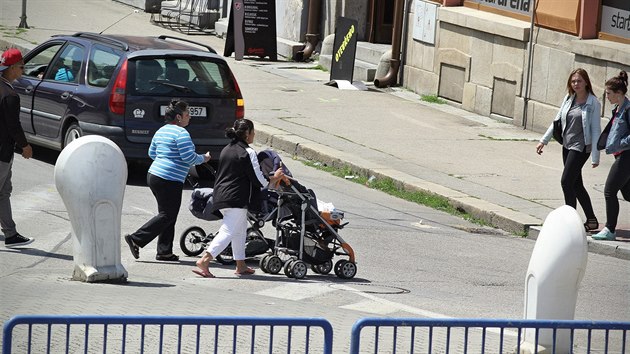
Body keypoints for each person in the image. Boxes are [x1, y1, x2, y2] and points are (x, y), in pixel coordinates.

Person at [192, 119, 284, 278]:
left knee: (239, 231)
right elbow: (259, 180)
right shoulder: (248, 152)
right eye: (253, 132)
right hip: (236, 197)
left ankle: (240, 265)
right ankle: (205, 260)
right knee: (228, 231)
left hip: (221, 195)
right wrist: (274, 178)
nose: (254, 135)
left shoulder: (227, 149)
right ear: (247, 133)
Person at [124, 99, 210, 261]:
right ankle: (136, 238)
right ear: (178, 117)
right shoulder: (181, 133)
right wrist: (203, 158)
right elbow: (188, 157)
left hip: (155, 175)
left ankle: (164, 251)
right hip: (169, 179)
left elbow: (152, 153)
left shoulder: (162, 130)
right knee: (167, 215)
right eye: (187, 114)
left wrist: (166, 159)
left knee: (167, 214)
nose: (189, 117)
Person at [536, 68, 601, 232]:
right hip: (567, 145)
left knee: (566, 181)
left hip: (581, 148)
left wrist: (595, 156)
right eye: (573, 81)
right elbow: (556, 121)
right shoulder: (569, 99)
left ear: (586, 82)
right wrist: (544, 140)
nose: (576, 84)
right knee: (576, 184)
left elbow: (595, 130)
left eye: (579, 81)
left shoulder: (593, 103)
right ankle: (592, 220)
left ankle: (570, 223)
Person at [0, 48, 34, 248]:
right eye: (22, 67)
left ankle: (11, 235)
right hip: (2, 151)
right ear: (11, 68)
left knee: (4, 192)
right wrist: (25, 146)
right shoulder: (10, 95)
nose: (23, 71)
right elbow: (13, 126)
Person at [592, 71, 630, 241]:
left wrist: (620, 143)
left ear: (619, 93)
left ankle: (610, 229)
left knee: (609, 191)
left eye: (608, 93)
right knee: (628, 194)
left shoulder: (628, 110)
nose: (606, 96)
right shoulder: (618, 109)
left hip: (627, 156)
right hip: (620, 156)